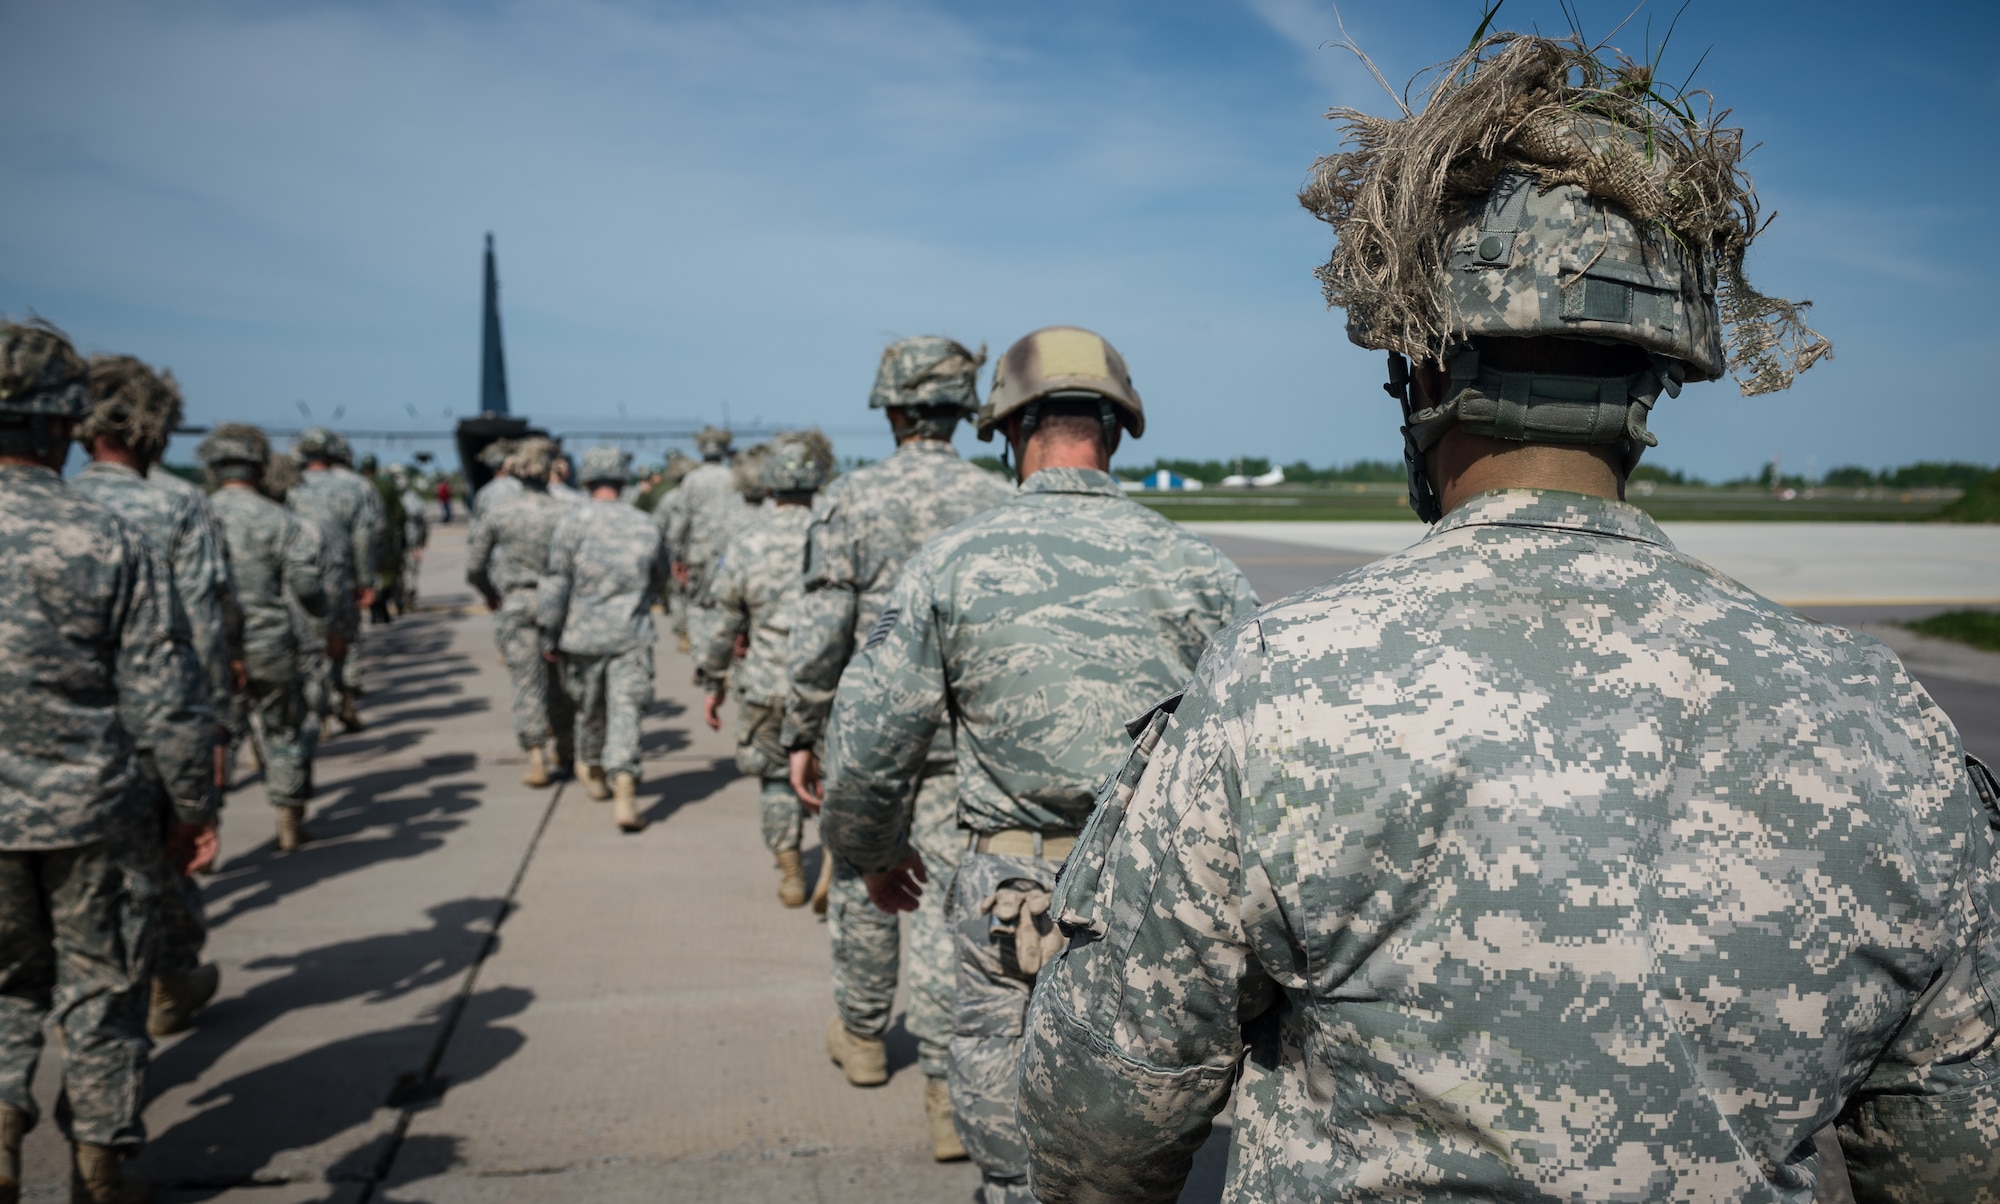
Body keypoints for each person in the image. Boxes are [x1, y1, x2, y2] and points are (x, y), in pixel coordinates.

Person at [1014, 33, 2000, 1204]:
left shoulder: (1281, 685)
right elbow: (1954, 1161)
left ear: (1424, 377)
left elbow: (1095, 1130)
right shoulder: (1880, 722)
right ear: (1652, 381)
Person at [820, 326, 1258, 1204]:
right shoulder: (1202, 571)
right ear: (1119, 430)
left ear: (1007, 429)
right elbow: (1259, 752)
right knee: (1134, 1147)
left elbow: (866, 745)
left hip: (1009, 892)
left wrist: (870, 855)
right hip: (1154, 895)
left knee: (1012, 1155)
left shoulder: (950, 562)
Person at [0, 318, 219, 1203]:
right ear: (65, 425)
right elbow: (163, 697)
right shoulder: (113, 536)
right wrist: (193, 808)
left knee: (5, 984)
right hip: (96, 808)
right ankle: (98, 1167)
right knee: (101, 986)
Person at [783, 337, 1012, 1157]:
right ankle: (949, 1099)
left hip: (871, 740)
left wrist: (800, 733)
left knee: (861, 889)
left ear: (890, 409)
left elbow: (819, 637)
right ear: (960, 409)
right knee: (954, 913)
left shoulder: (850, 499)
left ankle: (865, 1037)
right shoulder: (999, 500)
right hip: (965, 747)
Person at [70, 355, 237, 1038]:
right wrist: (211, 735)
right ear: (155, 431)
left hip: (40, 736)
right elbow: (202, 630)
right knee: (161, 863)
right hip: (146, 726)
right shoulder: (176, 505)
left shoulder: (56, 500)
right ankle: (169, 980)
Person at [699, 431, 835, 907]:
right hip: (828, 686)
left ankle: (791, 870)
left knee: (776, 778)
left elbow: (723, 624)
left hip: (765, 684)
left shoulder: (747, 543)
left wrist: (712, 682)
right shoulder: (835, 534)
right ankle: (836, 850)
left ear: (771, 484)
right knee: (832, 774)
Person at [200, 425, 329, 853]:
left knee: (218, 739)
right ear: (259, 468)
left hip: (213, 647)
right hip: (270, 641)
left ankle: (206, 831)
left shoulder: (196, 513)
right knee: (283, 730)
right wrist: (321, 619)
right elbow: (307, 586)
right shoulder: (282, 519)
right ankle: (289, 817)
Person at [541, 446, 670, 833]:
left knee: (590, 709)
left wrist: (550, 632)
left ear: (587, 479)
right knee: (627, 709)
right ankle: (625, 785)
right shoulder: (644, 523)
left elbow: (556, 583)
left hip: (582, 639)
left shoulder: (572, 523)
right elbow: (660, 577)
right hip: (631, 634)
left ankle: (594, 768)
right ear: (621, 479)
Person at [466, 437, 575, 788]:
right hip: (560, 605)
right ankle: (566, 745)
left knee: (526, 681)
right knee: (562, 681)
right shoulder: (569, 511)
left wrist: (492, 594)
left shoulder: (499, 510)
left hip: (517, 603)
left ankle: (535, 757)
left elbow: (475, 566)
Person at [288, 428, 382, 733]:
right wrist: (366, 580)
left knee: (308, 645)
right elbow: (365, 537)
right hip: (340, 577)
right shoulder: (353, 488)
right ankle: (347, 702)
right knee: (347, 640)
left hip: (297, 579)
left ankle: (319, 712)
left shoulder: (290, 488)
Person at [657, 426, 744, 658]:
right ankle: (722, 656)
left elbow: (680, 521)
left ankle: (702, 658)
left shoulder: (692, 480)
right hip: (729, 550)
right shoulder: (733, 477)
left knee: (697, 605)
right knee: (726, 605)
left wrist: (675, 556)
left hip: (698, 550)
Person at [358, 453, 406, 624]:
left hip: (359, 540)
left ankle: (373, 609)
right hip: (385, 538)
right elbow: (400, 513)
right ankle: (383, 605)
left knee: (365, 573)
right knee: (388, 574)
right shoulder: (387, 486)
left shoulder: (355, 485)